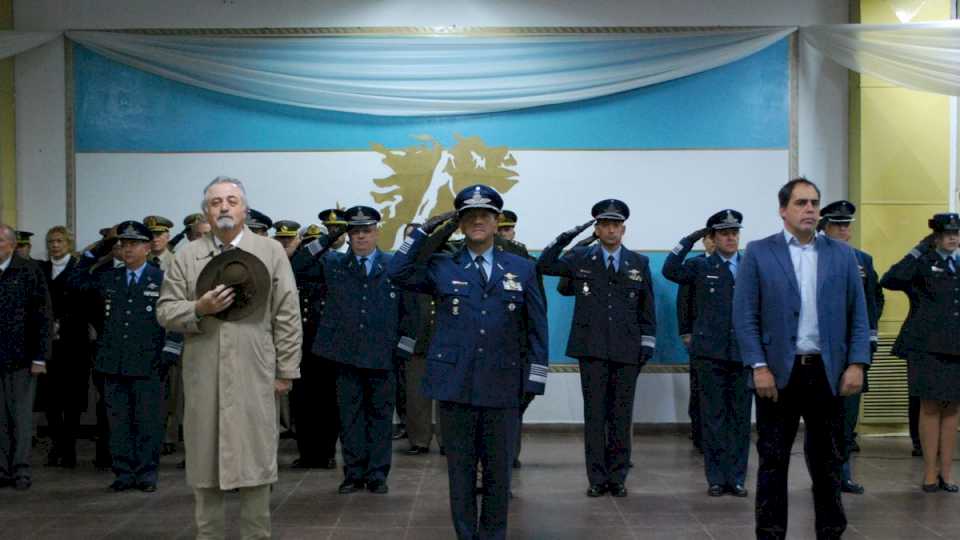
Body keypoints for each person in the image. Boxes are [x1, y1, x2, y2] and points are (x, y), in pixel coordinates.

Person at [388, 184, 548, 540]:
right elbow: (397, 271)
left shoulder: (521, 268)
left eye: (485, 215)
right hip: (454, 385)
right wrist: (432, 228)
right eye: (468, 216)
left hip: (504, 385)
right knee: (459, 474)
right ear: (459, 224)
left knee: (498, 474)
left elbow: (538, 327)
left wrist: (534, 381)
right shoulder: (442, 266)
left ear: (496, 222)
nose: (478, 220)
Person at [156, 176, 301, 539]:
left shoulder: (269, 253)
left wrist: (285, 370)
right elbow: (165, 311)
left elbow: (287, 314)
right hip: (203, 370)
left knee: (255, 463)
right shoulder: (187, 256)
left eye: (232, 200)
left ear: (244, 209)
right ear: (206, 211)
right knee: (205, 465)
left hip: (255, 370)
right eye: (216, 201)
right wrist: (198, 308)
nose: (224, 207)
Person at [734, 178, 870, 540]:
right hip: (779, 375)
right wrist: (758, 366)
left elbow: (859, 315)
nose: (810, 209)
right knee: (773, 461)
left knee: (828, 463)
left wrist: (857, 363)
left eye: (814, 203)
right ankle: (771, 533)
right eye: (801, 203)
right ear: (783, 210)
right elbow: (745, 317)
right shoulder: (759, 253)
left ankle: (830, 532)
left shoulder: (843, 255)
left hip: (828, 374)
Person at [538, 199, 656, 498]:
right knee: (594, 416)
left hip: (627, 349)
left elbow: (647, 307)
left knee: (620, 415)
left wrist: (647, 341)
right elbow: (545, 264)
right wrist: (568, 237)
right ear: (597, 229)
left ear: (624, 229)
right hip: (591, 349)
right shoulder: (580, 258)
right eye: (604, 225)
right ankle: (596, 478)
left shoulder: (638, 263)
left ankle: (618, 477)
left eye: (616, 225)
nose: (611, 230)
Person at [298, 205, 401, 494]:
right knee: (350, 417)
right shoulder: (333, 264)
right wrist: (331, 237)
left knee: (380, 418)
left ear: (377, 232)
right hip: (346, 356)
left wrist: (403, 348)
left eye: (366, 231)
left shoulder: (393, 265)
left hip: (382, 355)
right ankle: (354, 473)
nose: (360, 237)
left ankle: (378, 474)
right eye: (354, 232)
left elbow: (408, 311)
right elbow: (298, 266)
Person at [71, 221, 176, 492]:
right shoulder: (110, 277)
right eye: (123, 244)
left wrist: (169, 354)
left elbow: (175, 318)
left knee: (147, 422)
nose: (127, 249)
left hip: (149, 363)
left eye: (133, 244)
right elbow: (76, 278)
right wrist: (104, 244)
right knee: (118, 423)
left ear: (146, 247)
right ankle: (124, 473)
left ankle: (146, 473)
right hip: (113, 363)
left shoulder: (161, 278)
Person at [663, 209, 751, 497]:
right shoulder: (699, 266)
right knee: (713, 418)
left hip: (742, 353)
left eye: (735, 233)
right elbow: (669, 269)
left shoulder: (750, 265)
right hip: (709, 353)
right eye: (724, 233)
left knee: (740, 419)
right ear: (712, 237)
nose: (731, 238)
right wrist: (690, 238)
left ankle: (736, 478)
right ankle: (715, 477)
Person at [880, 212, 960, 493]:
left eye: (956, 233)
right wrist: (919, 248)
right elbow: (890, 279)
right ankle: (928, 473)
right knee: (929, 407)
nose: (953, 237)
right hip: (925, 346)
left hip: (955, 346)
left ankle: (947, 474)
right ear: (934, 236)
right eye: (946, 233)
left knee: (952, 409)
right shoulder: (923, 262)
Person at [816, 200, 884, 494]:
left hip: (852, 352)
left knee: (847, 418)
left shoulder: (862, 260)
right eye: (838, 225)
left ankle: (842, 473)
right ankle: (823, 474)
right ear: (825, 228)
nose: (844, 231)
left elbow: (873, 301)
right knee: (822, 419)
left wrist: (865, 342)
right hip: (820, 352)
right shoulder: (813, 258)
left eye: (847, 226)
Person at [0, 224, 52, 491]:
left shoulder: (29, 270)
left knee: (20, 417)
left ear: (10, 244)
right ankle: (2, 468)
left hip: (22, 358)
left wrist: (40, 357)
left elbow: (43, 316)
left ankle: (21, 469)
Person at [288, 223, 341, 470]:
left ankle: (327, 452)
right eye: (307, 243)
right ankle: (307, 453)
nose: (312, 247)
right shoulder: (296, 265)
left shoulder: (333, 264)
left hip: (327, 344)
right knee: (301, 402)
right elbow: (295, 266)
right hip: (300, 344)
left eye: (316, 242)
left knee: (327, 401)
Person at [37, 226, 91, 469]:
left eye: (59, 241)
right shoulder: (41, 270)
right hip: (47, 345)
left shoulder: (80, 269)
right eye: (50, 241)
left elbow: (87, 305)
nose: (54, 245)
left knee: (72, 401)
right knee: (50, 400)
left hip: (74, 344)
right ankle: (57, 445)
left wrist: (62, 322)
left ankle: (68, 450)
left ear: (69, 243)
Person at [679, 233, 715, 454]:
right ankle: (699, 432)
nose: (713, 241)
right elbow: (684, 301)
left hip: (728, 342)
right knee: (698, 387)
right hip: (699, 338)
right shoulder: (694, 265)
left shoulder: (738, 263)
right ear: (704, 242)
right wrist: (686, 331)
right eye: (709, 238)